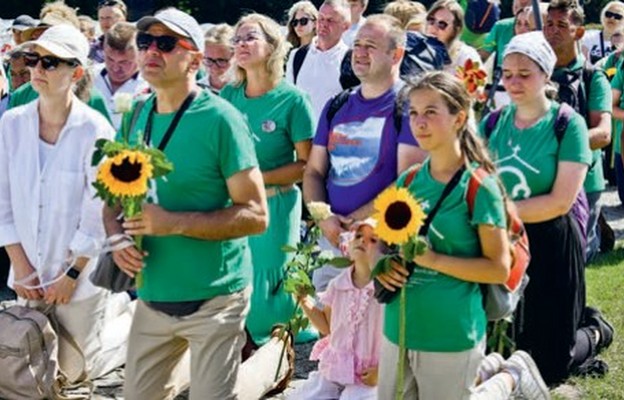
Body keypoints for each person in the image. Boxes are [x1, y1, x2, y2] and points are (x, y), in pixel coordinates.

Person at [103, 8, 268, 399]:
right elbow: (111, 198)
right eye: (145, 43)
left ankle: (267, 362)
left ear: (195, 58)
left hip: (216, 298)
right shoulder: (135, 116)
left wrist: (173, 223)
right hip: (154, 297)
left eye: (165, 43)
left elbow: (257, 215)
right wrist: (117, 239)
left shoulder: (221, 120)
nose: (150, 52)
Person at [0, 24, 132, 382]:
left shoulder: (96, 130)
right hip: (29, 272)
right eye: (33, 59)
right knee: (28, 361)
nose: (37, 69)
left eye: (50, 62)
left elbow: (97, 211)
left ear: (75, 72)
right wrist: (21, 267)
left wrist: (71, 274)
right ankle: (114, 310)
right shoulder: (10, 125)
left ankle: (126, 318)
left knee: (71, 374)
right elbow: (3, 201)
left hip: (81, 276)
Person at [481, 31, 613, 386]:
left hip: (552, 237)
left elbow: (560, 201)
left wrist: (498, 211)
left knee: (551, 365)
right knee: (507, 345)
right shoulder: (492, 123)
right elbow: (475, 180)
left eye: (524, 73)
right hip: (505, 237)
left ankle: (597, 330)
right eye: (507, 74)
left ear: (545, 74)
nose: (513, 81)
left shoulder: (567, 123)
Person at [303, 14, 426, 292]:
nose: (358, 53)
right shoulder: (337, 105)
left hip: (380, 243)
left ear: (396, 55)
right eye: (357, 44)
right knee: (330, 331)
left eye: (370, 46)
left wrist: (356, 222)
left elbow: (409, 181)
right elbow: (313, 171)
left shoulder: (410, 107)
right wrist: (325, 219)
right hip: (332, 242)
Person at [221, 13, 315, 345]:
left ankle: (275, 340)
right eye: (237, 40)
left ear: (273, 46)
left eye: (250, 38)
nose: (241, 45)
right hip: (235, 206)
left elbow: (306, 165)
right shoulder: (229, 95)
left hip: (277, 203)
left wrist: (257, 178)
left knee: (269, 281)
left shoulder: (293, 100)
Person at [544, 0, 613, 261]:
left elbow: (603, 134)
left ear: (579, 32)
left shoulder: (592, 77)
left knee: (574, 258)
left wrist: (550, 142)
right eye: (549, 24)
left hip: (584, 183)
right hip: (543, 180)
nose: (553, 31)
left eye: (562, 25)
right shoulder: (536, 74)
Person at [289, 219, 384, 400]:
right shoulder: (337, 285)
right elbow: (327, 327)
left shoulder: (383, 292)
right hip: (337, 366)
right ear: (347, 248)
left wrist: (382, 370)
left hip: (367, 373)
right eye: (358, 236)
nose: (363, 241)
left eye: (373, 240)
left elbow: (393, 339)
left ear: (384, 253)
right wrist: (304, 301)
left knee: (358, 397)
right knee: (308, 396)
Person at [285, 0, 350, 120]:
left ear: (345, 26)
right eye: (321, 19)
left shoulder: (350, 59)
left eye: (330, 20)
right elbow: (289, 99)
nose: (324, 24)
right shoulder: (297, 56)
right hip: (302, 136)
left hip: (334, 135)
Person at [93, 22, 147, 130]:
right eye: (110, 59)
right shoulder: (89, 77)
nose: (116, 68)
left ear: (140, 54)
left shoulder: (151, 85)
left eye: (124, 62)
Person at [425, 0, 481, 74]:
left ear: (455, 30)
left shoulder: (467, 56)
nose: (434, 27)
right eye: (431, 20)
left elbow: (477, 84)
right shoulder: (414, 48)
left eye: (442, 24)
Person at [200, 24, 235, 94]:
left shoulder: (248, 90)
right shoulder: (196, 90)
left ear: (235, 57)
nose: (214, 67)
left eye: (221, 61)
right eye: (209, 60)